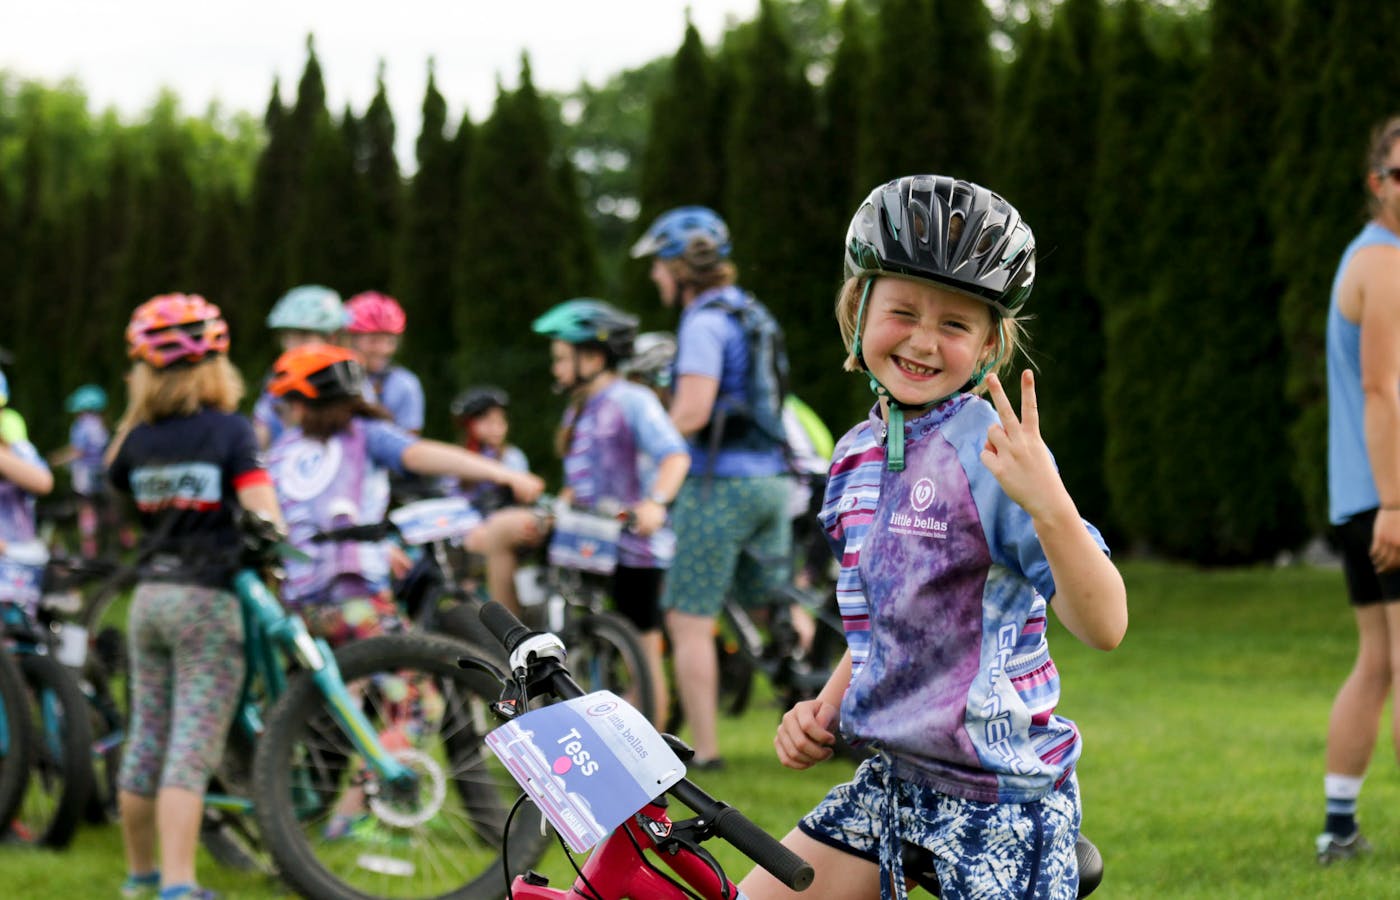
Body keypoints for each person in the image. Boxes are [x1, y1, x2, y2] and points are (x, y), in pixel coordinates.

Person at [736, 175, 1127, 900]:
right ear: (859, 312)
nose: (921, 340)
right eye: (902, 312)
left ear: (988, 345)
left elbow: (1105, 624)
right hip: (893, 780)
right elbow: (884, 626)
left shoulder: (992, 451)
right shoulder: (853, 456)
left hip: (1002, 799)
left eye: (953, 324)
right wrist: (821, 710)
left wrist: (1051, 507)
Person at [108, 293, 286, 900]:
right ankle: (181, 887)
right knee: (190, 746)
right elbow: (264, 513)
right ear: (217, 365)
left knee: (146, 739)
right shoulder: (231, 430)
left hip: (149, 598)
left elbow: (127, 508)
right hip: (208, 602)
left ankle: (140, 878)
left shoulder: (134, 442)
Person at [630, 205, 794, 769]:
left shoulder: (702, 321)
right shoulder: (748, 311)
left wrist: (647, 439)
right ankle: (815, 713)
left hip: (719, 486)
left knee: (688, 619)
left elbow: (694, 411)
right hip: (771, 480)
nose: (654, 276)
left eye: (658, 264)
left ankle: (704, 752)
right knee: (772, 600)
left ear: (679, 267)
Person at [264, 342, 545, 633]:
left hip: (297, 605)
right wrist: (505, 475)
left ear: (301, 402)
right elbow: (419, 455)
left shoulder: (280, 453)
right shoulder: (363, 433)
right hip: (358, 599)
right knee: (405, 675)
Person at [531, 299, 690, 726]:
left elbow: (675, 456)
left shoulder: (631, 399)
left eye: (562, 359)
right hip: (588, 544)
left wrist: (655, 503)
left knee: (642, 640)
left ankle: (655, 741)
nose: (556, 369)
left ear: (595, 357)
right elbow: (580, 480)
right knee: (589, 638)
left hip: (634, 546)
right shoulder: (578, 408)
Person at [1318, 115, 1400, 865]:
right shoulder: (1383, 265)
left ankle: (1338, 829)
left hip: (1362, 498)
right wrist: (1398, 505)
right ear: (1378, 185)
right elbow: (1381, 388)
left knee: (1378, 661)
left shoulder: (1373, 258)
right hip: (1387, 500)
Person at [252, 284, 350, 448]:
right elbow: (261, 431)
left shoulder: (350, 382)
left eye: (304, 336)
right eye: (287, 337)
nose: (292, 346)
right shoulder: (279, 380)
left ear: (332, 338)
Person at [344, 291, 424, 435]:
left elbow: (410, 441)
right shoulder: (335, 378)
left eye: (389, 341)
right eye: (373, 340)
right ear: (351, 340)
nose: (382, 349)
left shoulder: (405, 384)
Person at [48, 384, 114, 558]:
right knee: (105, 506)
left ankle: (89, 548)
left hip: (84, 474)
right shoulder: (101, 424)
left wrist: (58, 459)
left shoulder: (80, 425)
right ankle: (119, 538)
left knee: (86, 509)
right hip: (101, 471)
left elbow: (77, 451)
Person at [448, 385, 529, 511]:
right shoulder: (457, 457)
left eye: (501, 421)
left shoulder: (511, 456)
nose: (497, 428)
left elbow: (524, 496)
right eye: (489, 422)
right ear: (470, 425)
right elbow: (450, 497)